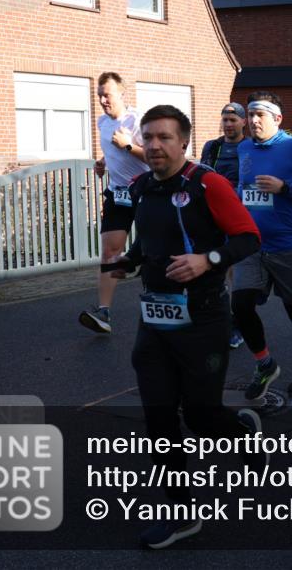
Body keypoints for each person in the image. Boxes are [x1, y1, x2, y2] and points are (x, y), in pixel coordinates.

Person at [105, 104, 263, 549]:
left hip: (205, 317)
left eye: (164, 138)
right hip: (154, 318)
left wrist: (207, 260)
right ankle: (182, 511)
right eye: (149, 137)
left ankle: (242, 430)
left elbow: (248, 237)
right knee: (159, 416)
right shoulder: (139, 188)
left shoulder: (208, 184)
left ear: (184, 142)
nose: (154, 145)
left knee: (201, 416)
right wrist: (128, 262)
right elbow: (150, 241)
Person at [231, 91, 292, 400]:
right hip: (253, 245)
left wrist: (284, 187)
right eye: (250, 114)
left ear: (277, 118)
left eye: (260, 114)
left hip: (290, 244)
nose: (253, 120)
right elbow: (243, 188)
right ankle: (265, 364)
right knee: (241, 305)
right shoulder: (244, 147)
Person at [80, 72, 150, 334]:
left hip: (145, 193)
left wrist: (128, 146)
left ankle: (163, 301)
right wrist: (103, 162)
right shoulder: (101, 123)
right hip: (117, 194)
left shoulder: (139, 120)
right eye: (99, 95)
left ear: (122, 94)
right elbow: (113, 150)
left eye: (107, 95)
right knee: (110, 251)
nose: (102, 100)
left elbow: (155, 157)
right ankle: (104, 313)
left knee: (154, 249)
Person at [200, 102, 248, 350]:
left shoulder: (249, 147)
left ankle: (235, 323)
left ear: (243, 122)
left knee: (232, 271)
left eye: (233, 120)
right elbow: (202, 174)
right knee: (212, 269)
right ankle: (216, 320)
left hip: (237, 215)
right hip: (211, 215)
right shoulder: (213, 146)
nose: (228, 124)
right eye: (225, 120)